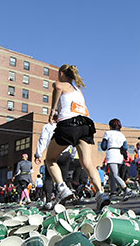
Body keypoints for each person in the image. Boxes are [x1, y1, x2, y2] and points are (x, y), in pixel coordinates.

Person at [44, 64, 110, 210]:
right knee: (87, 163)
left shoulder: (61, 84)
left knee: (50, 159)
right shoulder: (78, 91)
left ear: (61, 74)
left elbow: (58, 88)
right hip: (85, 125)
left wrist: (52, 111)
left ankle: (62, 189)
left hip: (68, 126)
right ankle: (100, 193)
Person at [101, 118, 133, 198]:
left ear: (110, 126)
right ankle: (113, 193)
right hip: (119, 155)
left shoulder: (107, 133)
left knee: (114, 174)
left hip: (112, 154)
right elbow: (125, 147)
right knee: (112, 175)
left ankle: (126, 189)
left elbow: (103, 146)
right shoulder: (121, 135)